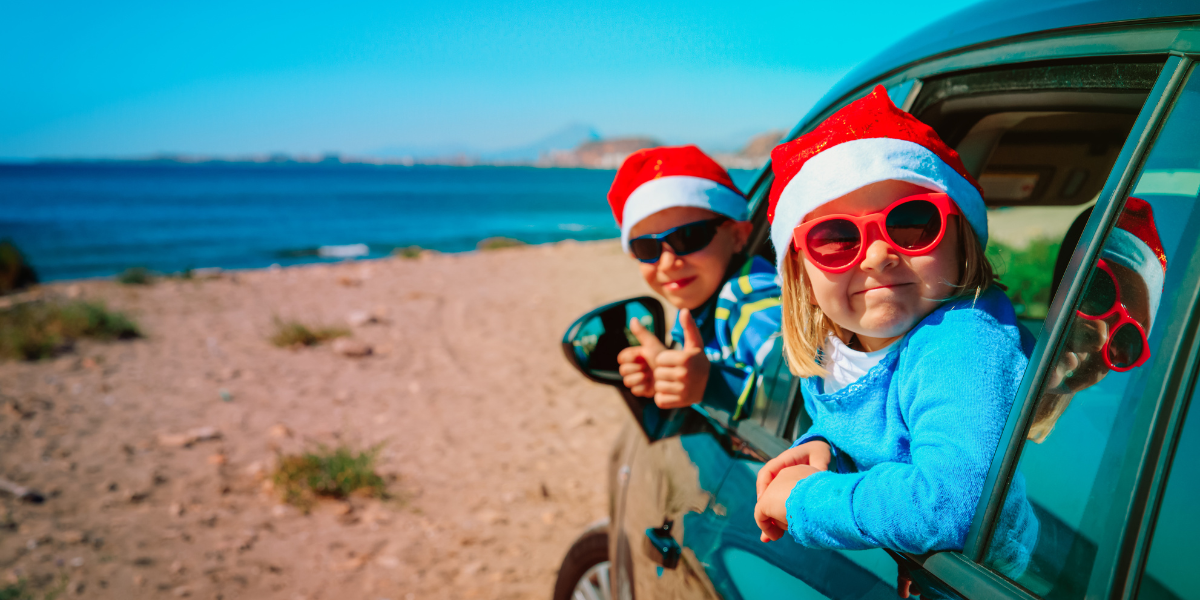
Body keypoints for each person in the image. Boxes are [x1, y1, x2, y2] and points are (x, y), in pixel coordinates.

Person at [750, 86, 1037, 581]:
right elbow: (876, 432)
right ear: (800, 271)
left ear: (961, 238)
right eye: (836, 238)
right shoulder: (834, 347)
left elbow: (950, 506)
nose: (878, 255)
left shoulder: (963, 340)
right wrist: (827, 447)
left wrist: (804, 499)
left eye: (911, 223)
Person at [608, 145, 781, 417]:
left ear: (737, 236)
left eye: (687, 237)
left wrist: (710, 384)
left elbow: (795, 391)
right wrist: (669, 378)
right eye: (646, 248)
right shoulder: (696, 311)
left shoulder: (749, 299)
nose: (667, 262)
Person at [1029, 197, 1167, 442]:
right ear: (1062, 284)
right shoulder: (980, 364)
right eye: (1099, 293)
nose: (1101, 337)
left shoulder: (1088, 451)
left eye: (1125, 339)